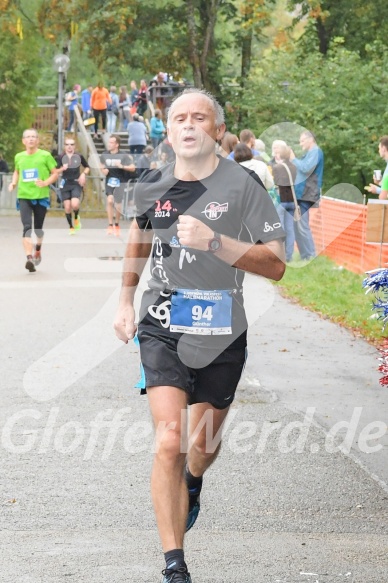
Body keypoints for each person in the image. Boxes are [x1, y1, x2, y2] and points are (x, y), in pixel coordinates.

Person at [113, 88, 285, 583]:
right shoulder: (151, 184)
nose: (188, 125)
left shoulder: (244, 185)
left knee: (201, 445)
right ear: (169, 131)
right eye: (179, 118)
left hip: (221, 330)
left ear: (217, 131)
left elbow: (276, 265)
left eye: (200, 118)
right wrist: (125, 301)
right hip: (162, 323)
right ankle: (175, 564)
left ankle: (193, 480)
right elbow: (139, 239)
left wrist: (216, 241)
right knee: (169, 439)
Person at [8, 129, 58, 272]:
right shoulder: (19, 156)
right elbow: (17, 171)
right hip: (24, 196)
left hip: (40, 197)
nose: (31, 139)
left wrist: (46, 182)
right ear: (23, 141)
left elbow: (55, 173)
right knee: (27, 227)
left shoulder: (45, 155)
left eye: (33, 137)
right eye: (28, 137)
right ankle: (29, 259)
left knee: (38, 229)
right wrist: (13, 183)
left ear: (37, 140)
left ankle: (38, 250)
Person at [289, 130, 324, 260]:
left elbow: (306, 168)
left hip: (307, 193)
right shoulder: (310, 153)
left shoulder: (315, 152)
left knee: (302, 225)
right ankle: (305, 255)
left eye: (302, 140)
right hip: (301, 193)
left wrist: (293, 159)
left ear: (311, 139)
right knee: (297, 225)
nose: (300, 143)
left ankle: (310, 255)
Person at [100, 135, 136, 236]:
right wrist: (104, 170)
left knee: (118, 203)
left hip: (121, 181)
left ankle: (117, 224)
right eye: (109, 142)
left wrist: (122, 166)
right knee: (110, 200)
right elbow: (101, 166)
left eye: (111, 142)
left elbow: (133, 167)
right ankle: (110, 225)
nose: (109, 144)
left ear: (117, 144)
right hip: (109, 181)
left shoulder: (123, 156)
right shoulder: (104, 155)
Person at [56, 138, 90, 234]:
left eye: (72, 144)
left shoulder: (78, 156)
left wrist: (83, 174)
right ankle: (71, 227)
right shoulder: (61, 156)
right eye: (67, 144)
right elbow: (55, 170)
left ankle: (76, 217)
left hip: (76, 182)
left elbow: (87, 167)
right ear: (65, 146)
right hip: (65, 183)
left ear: (74, 146)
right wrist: (62, 168)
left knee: (74, 204)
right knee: (67, 207)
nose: (69, 146)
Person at [272, 143, 298, 263]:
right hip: (291, 200)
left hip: (281, 200)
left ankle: (280, 255)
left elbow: (275, 183)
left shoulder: (277, 168)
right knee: (290, 229)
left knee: (280, 228)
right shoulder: (293, 167)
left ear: (279, 154)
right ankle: (289, 255)